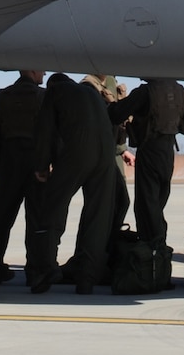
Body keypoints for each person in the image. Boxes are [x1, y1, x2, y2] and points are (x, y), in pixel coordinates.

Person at [29, 72, 118, 294]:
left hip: (80, 151)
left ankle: (45, 270)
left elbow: (45, 129)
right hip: (106, 154)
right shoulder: (92, 93)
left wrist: (41, 166)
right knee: (97, 216)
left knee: (52, 207)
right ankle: (87, 278)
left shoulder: (55, 92)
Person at [108, 78, 184, 246]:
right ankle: (158, 252)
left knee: (147, 206)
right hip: (168, 154)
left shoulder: (145, 92)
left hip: (149, 150)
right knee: (157, 204)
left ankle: (151, 251)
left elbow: (115, 114)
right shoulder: (180, 91)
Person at [0, 70, 46, 280]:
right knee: (36, 217)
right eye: (41, 69)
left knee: (2, 217)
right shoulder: (43, 96)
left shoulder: (2, 96)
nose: (44, 73)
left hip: (8, 161)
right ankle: (35, 269)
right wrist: (49, 162)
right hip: (35, 161)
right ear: (31, 71)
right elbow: (51, 132)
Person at [83, 73, 135, 230]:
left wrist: (122, 149)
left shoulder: (110, 82)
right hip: (102, 153)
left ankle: (109, 241)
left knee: (119, 201)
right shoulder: (90, 85)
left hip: (113, 151)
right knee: (104, 203)